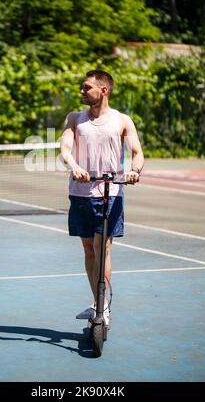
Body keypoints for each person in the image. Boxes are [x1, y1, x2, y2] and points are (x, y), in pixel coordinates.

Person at [60, 69, 144, 327]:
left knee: (103, 247)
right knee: (88, 247)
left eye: (87, 87)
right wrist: (74, 166)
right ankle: (98, 302)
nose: (82, 91)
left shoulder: (122, 120)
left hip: (112, 192)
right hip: (81, 192)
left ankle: (102, 305)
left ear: (103, 90)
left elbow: (137, 152)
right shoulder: (75, 118)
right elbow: (64, 149)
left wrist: (133, 170)